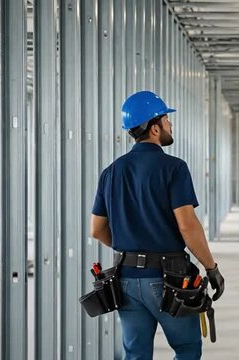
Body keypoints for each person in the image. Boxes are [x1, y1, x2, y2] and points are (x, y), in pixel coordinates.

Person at [90, 90, 225, 359]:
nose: (170, 125)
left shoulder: (111, 172)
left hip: (125, 279)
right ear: (154, 127)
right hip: (168, 279)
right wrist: (211, 268)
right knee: (187, 348)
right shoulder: (173, 168)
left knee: (136, 354)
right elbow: (188, 227)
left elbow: (97, 229)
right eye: (166, 120)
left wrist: (130, 249)